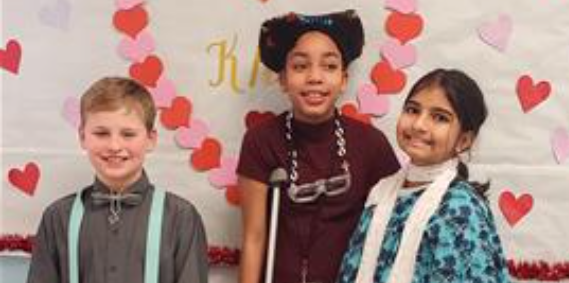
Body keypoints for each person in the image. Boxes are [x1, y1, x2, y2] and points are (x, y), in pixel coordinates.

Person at [236, 9, 401, 283]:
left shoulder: (371, 145)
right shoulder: (260, 140)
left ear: (344, 79)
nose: (315, 77)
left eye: (329, 66)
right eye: (300, 66)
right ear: (283, 80)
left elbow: (392, 231)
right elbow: (254, 237)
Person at [337, 69, 512, 283]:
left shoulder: (459, 208)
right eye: (412, 110)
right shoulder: (381, 194)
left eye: (439, 118)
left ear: (464, 140)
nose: (419, 125)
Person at [27, 77, 209, 283]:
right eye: (101, 133)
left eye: (128, 134)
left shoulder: (181, 218)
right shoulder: (57, 218)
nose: (114, 145)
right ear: (82, 137)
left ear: (151, 139)